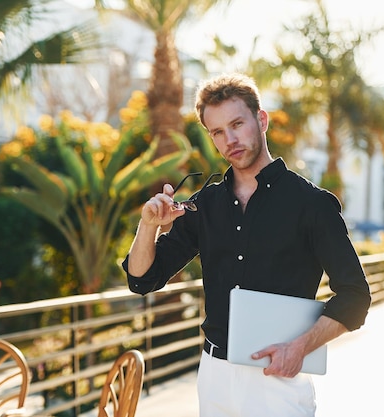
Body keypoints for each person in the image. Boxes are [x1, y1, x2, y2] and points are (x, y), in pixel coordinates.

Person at [122, 73, 371, 417]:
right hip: (214, 378)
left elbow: (356, 295)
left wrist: (299, 348)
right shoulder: (204, 205)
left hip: (278, 378)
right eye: (218, 132)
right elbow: (142, 279)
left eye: (237, 123)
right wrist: (148, 226)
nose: (230, 139)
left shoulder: (311, 204)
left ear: (261, 119)